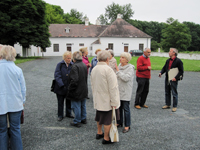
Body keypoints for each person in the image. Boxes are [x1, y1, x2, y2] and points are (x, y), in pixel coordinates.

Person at [91, 50, 120, 144]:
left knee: (99, 116)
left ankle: (99, 132)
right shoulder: (108, 70)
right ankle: (106, 138)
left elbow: (92, 84)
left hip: (98, 97)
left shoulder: (94, 69)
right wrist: (115, 102)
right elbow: (113, 88)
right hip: (107, 99)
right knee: (108, 119)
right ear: (108, 59)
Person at [0, 45, 26, 150]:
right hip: (15, 103)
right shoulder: (17, 69)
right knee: (15, 129)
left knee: (2, 130)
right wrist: (23, 101)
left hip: (1, 103)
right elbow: (23, 88)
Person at [159, 48, 184, 112]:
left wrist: (176, 77)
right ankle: (168, 104)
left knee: (174, 92)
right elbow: (165, 68)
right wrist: (161, 72)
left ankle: (175, 106)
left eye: (170, 51)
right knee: (167, 92)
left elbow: (181, 71)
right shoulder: (168, 60)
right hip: (167, 78)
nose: (169, 52)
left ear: (174, 53)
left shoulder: (178, 61)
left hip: (173, 79)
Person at [67, 51, 88, 128]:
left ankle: (77, 121)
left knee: (76, 106)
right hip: (84, 88)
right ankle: (83, 118)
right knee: (83, 105)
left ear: (74, 58)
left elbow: (74, 80)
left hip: (77, 89)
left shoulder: (75, 66)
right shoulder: (83, 65)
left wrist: (70, 89)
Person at [115, 52, 134, 133]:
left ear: (127, 60)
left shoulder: (130, 68)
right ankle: (119, 122)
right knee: (118, 108)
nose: (120, 59)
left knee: (126, 108)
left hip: (126, 91)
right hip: (118, 90)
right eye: (120, 57)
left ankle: (127, 125)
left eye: (123, 57)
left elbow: (126, 78)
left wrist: (118, 71)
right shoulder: (119, 66)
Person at [54, 51, 74, 121]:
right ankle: (60, 115)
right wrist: (61, 84)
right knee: (60, 102)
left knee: (69, 101)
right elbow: (57, 75)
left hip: (69, 87)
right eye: (68, 58)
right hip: (60, 87)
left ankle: (68, 113)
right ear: (64, 58)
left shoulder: (72, 65)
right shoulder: (60, 64)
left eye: (70, 58)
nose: (69, 60)